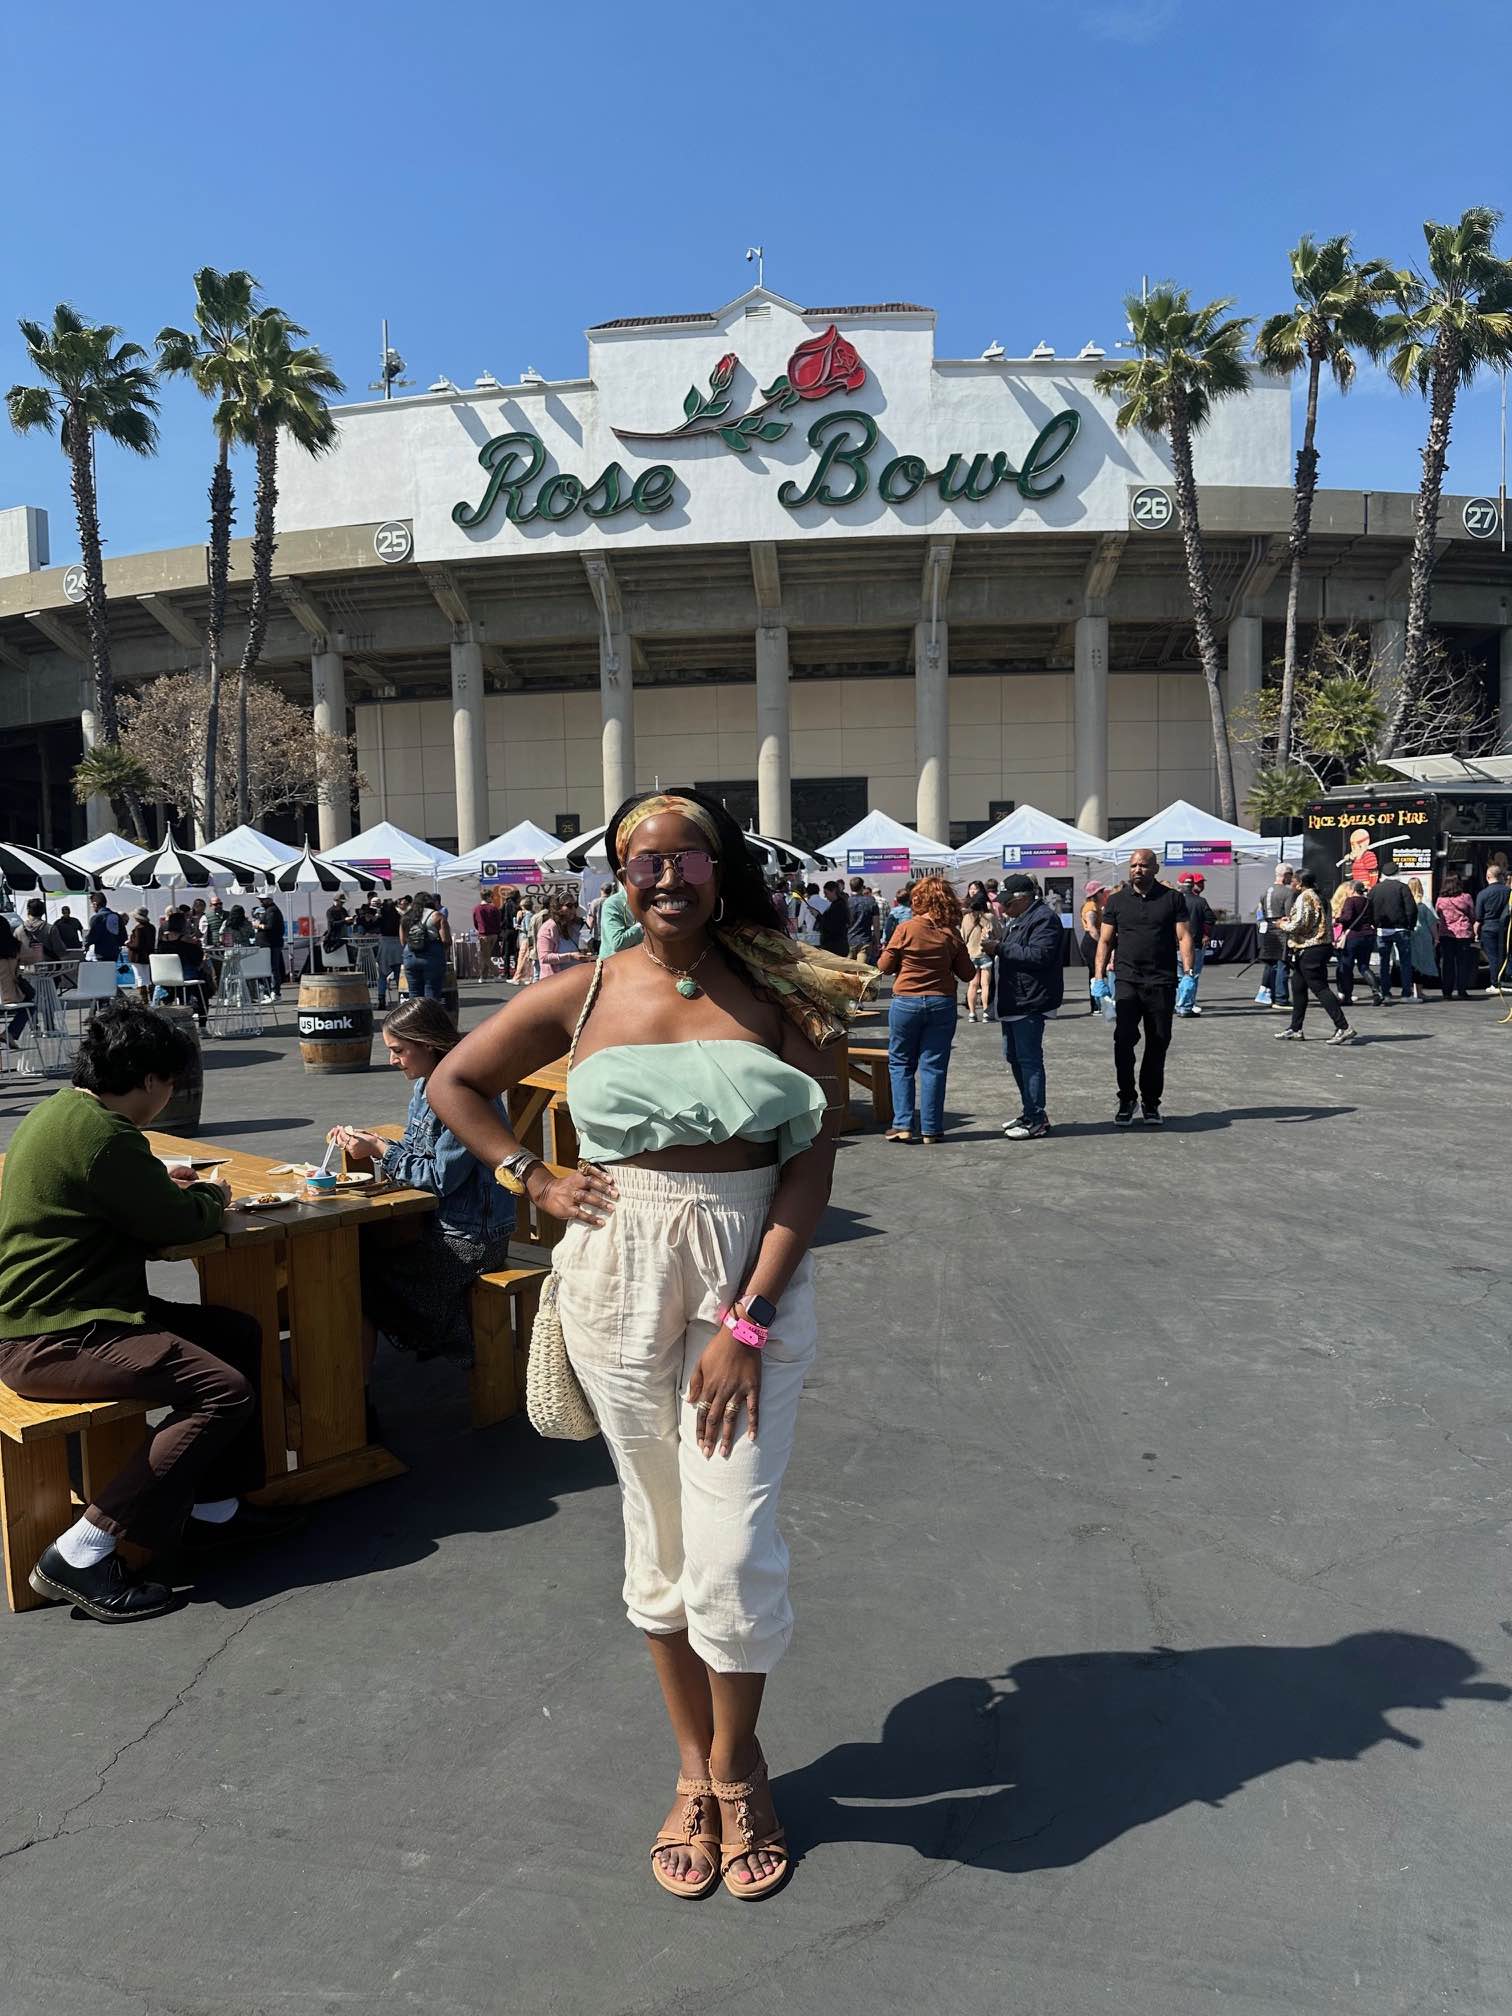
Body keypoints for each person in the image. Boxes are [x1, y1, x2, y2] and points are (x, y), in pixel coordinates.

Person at [427, 787, 871, 1903]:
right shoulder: (578, 994)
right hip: (617, 1271)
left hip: (746, 1271)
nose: (664, 877)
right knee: (659, 1536)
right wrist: (527, 1172)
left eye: (686, 858)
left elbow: (812, 1162)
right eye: (641, 863)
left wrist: (747, 1321)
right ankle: (692, 1773)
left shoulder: (784, 987)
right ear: (618, 880)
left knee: (732, 1545)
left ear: (721, 868)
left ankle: (740, 1768)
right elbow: (454, 1080)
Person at [0, 1000, 297, 1621]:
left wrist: (163, 1186)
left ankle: (212, 1509)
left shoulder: (59, 1112)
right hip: (57, 1335)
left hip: (62, 1316)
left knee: (233, 1332)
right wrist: (213, 1194)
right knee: (224, 1390)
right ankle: (81, 1550)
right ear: (150, 1082)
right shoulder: (105, 1138)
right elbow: (175, 1221)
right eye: (171, 1083)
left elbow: (123, 1201)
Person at [332, 998, 515, 1377]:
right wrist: (372, 1142)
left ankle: (456, 1339)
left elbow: (439, 1180)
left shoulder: (461, 1093)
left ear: (428, 1044)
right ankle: (440, 1334)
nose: (392, 1060)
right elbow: (421, 1157)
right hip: (444, 1226)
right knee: (356, 1254)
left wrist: (381, 1149)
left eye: (398, 1050)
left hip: (470, 1239)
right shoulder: (428, 1085)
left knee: (355, 1282)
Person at [1093, 849, 1196, 1129]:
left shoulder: (1172, 899)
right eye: (1134, 865)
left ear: (1156, 868)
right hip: (1127, 981)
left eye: (1144, 865)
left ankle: (1151, 1101)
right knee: (1123, 1040)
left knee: (1158, 1041)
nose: (1138, 869)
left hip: (1162, 982)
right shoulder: (1115, 901)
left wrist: (1188, 973)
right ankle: (1127, 1097)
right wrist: (1098, 977)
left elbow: (1184, 936)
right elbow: (1104, 941)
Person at [877, 876, 973, 1144]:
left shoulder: (906, 928)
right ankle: (931, 1128)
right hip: (942, 1002)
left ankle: (903, 1124)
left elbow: (883, 966)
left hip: (906, 1001)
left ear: (919, 899)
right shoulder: (951, 933)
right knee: (934, 1066)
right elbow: (967, 973)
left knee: (901, 1063)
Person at [995, 873, 1064, 1140]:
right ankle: (1030, 1111)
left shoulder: (1044, 918)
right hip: (1015, 999)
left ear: (1023, 899)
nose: (1003, 907)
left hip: (1029, 1000)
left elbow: (1040, 955)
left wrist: (999, 948)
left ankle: (1036, 1118)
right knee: (1015, 1058)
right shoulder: (1021, 918)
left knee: (1029, 1060)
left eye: (1007, 903)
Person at [1274, 870, 1354, 1044]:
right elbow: (1315, 920)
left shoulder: (1305, 896)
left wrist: (1283, 924)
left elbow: (1300, 925)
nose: (1291, 883)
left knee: (1319, 988)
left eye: (1294, 880)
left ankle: (1343, 1027)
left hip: (1311, 947)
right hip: (1320, 946)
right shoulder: (1321, 897)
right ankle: (1295, 1028)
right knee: (1298, 986)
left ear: (1300, 882)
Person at [1365, 872, 1418, 1001]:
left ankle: (1386, 993)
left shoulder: (1375, 889)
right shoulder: (1402, 887)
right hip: (1401, 929)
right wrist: (1410, 926)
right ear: (1397, 872)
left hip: (1382, 930)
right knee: (1405, 962)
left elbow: (1368, 908)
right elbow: (1411, 909)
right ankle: (1406, 993)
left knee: (1384, 962)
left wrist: (1374, 923)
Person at [1334, 882, 1380, 1008]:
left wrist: (1337, 920)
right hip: (1368, 936)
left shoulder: (1350, 900)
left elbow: (1347, 917)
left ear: (1353, 890)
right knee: (1364, 966)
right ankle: (1377, 992)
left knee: (1347, 967)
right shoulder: (1368, 901)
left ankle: (1347, 997)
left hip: (1353, 936)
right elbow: (1374, 919)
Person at [1256, 864, 1296, 1008]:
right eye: (1291, 874)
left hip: (1268, 929)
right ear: (1286, 875)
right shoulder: (1287, 893)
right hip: (1281, 929)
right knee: (1282, 964)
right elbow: (1289, 914)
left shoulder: (1265, 891)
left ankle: (1272, 996)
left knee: (1271, 964)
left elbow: (1260, 911)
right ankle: (1281, 998)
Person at [1175, 873, 1214, 1017]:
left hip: (1175, 945)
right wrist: (1205, 934)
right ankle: (1186, 1005)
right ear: (1192, 885)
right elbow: (1210, 918)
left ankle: (1178, 1004)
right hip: (1194, 945)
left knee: (1178, 977)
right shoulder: (1200, 901)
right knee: (1191, 975)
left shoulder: (1173, 901)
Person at [402, 890, 452, 1001]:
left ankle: (416, 1018)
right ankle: (430, 1017)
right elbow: (446, 941)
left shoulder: (406, 917)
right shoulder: (437, 916)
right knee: (432, 993)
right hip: (432, 956)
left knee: (414, 995)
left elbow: (402, 941)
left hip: (410, 955)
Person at [959, 890, 1000, 1023]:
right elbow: (999, 934)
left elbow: (962, 937)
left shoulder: (966, 918)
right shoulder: (989, 917)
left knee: (972, 985)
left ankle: (971, 1013)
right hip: (985, 954)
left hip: (971, 954)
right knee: (985, 985)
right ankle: (986, 1013)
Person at [1435, 874, 1476, 999]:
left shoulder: (1440, 900)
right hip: (1463, 934)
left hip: (1446, 933)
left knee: (1447, 963)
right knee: (1462, 963)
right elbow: (1472, 914)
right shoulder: (1466, 897)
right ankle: (1462, 990)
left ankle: (1447, 991)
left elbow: (1437, 915)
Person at [537, 892, 591, 977]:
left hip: (577, 978)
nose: (573, 909)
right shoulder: (548, 928)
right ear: (558, 908)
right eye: (569, 906)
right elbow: (544, 958)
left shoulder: (576, 924)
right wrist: (571, 956)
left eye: (575, 905)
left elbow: (584, 945)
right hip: (556, 981)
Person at [1474, 862, 1509, 993]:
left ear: (1488, 877)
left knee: (1493, 957)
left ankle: (1495, 983)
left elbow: (1479, 916)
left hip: (1489, 927)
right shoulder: (1508, 892)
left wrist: (1476, 930)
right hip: (1506, 927)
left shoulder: (1483, 894)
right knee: (1507, 955)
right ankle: (1507, 980)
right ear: (1500, 876)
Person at [1407, 876, 1440, 1001]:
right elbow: (1432, 922)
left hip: (1410, 935)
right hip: (1423, 937)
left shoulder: (1405, 900)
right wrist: (1436, 938)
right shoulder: (1425, 901)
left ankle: (1409, 991)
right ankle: (1419, 991)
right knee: (1421, 964)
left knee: (1410, 963)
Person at [1078, 882, 1108, 1012]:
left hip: (1091, 941)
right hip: (1091, 942)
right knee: (1096, 972)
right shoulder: (1091, 907)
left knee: (1096, 972)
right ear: (1096, 894)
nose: (1104, 894)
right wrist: (1101, 941)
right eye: (1102, 892)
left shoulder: (1094, 906)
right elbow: (1091, 928)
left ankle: (1097, 1004)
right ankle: (1096, 1005)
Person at [254, 893, 286, 998]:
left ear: (269, 900)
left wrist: (258, 925)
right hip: (269, 944)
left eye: (263, 900)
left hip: (271, 944)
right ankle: (271, 992)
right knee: (271, 968)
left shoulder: (272, 910)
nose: (261, 902)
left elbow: (270, 926)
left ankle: (275, 992)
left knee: (273, 968)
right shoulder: (271, 910)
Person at [374, 894, 404, 1008]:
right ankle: (401, 999)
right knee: (398, 975)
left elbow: (374, 926)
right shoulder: (398, 916)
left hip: (385, 945)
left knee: (382, 975)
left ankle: (381, 999)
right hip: (397, 945)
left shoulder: (381, 917)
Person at [845, 875, 881, 966]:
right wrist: (877, 942)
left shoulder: (846, 902)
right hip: (865, 940)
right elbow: (876, 925)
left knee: (847, 971)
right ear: (862, 887)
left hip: (848, 941)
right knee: (861, 970)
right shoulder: (871, 901)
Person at [83, 890, 124, 964]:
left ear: (95, 904)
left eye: (92, 905)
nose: (92, 907)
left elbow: (92, 936)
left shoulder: (96, 917)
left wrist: (86, 945)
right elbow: (123, 936)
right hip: (114, 953)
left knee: (101, 973)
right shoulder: (116, 916)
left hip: (101, 953)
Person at [125, 907, 156, 1003]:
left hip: (137, 956)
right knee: (148, 978)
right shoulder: (151, 927)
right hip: (148, 955)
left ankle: (144, 1001)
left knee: (140, 978)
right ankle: (151, 999)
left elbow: (137, 944)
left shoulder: (139, 928)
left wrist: (128, 943)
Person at [816, 880, 850, 957]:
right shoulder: (838, 905)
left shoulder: (838, 906)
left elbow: (831, 926)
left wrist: (818, 916)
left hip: (835, 947)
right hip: (836, 946)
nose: (825, 896)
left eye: (826, 893)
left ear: (833, 891)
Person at [882, 881, 913, 949]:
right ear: (909, 899)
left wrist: (885, 941)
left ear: (897, 900)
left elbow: (888, 928)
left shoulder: (894, 912)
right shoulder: (914, 911)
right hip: (912, 940)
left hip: (899, 941)